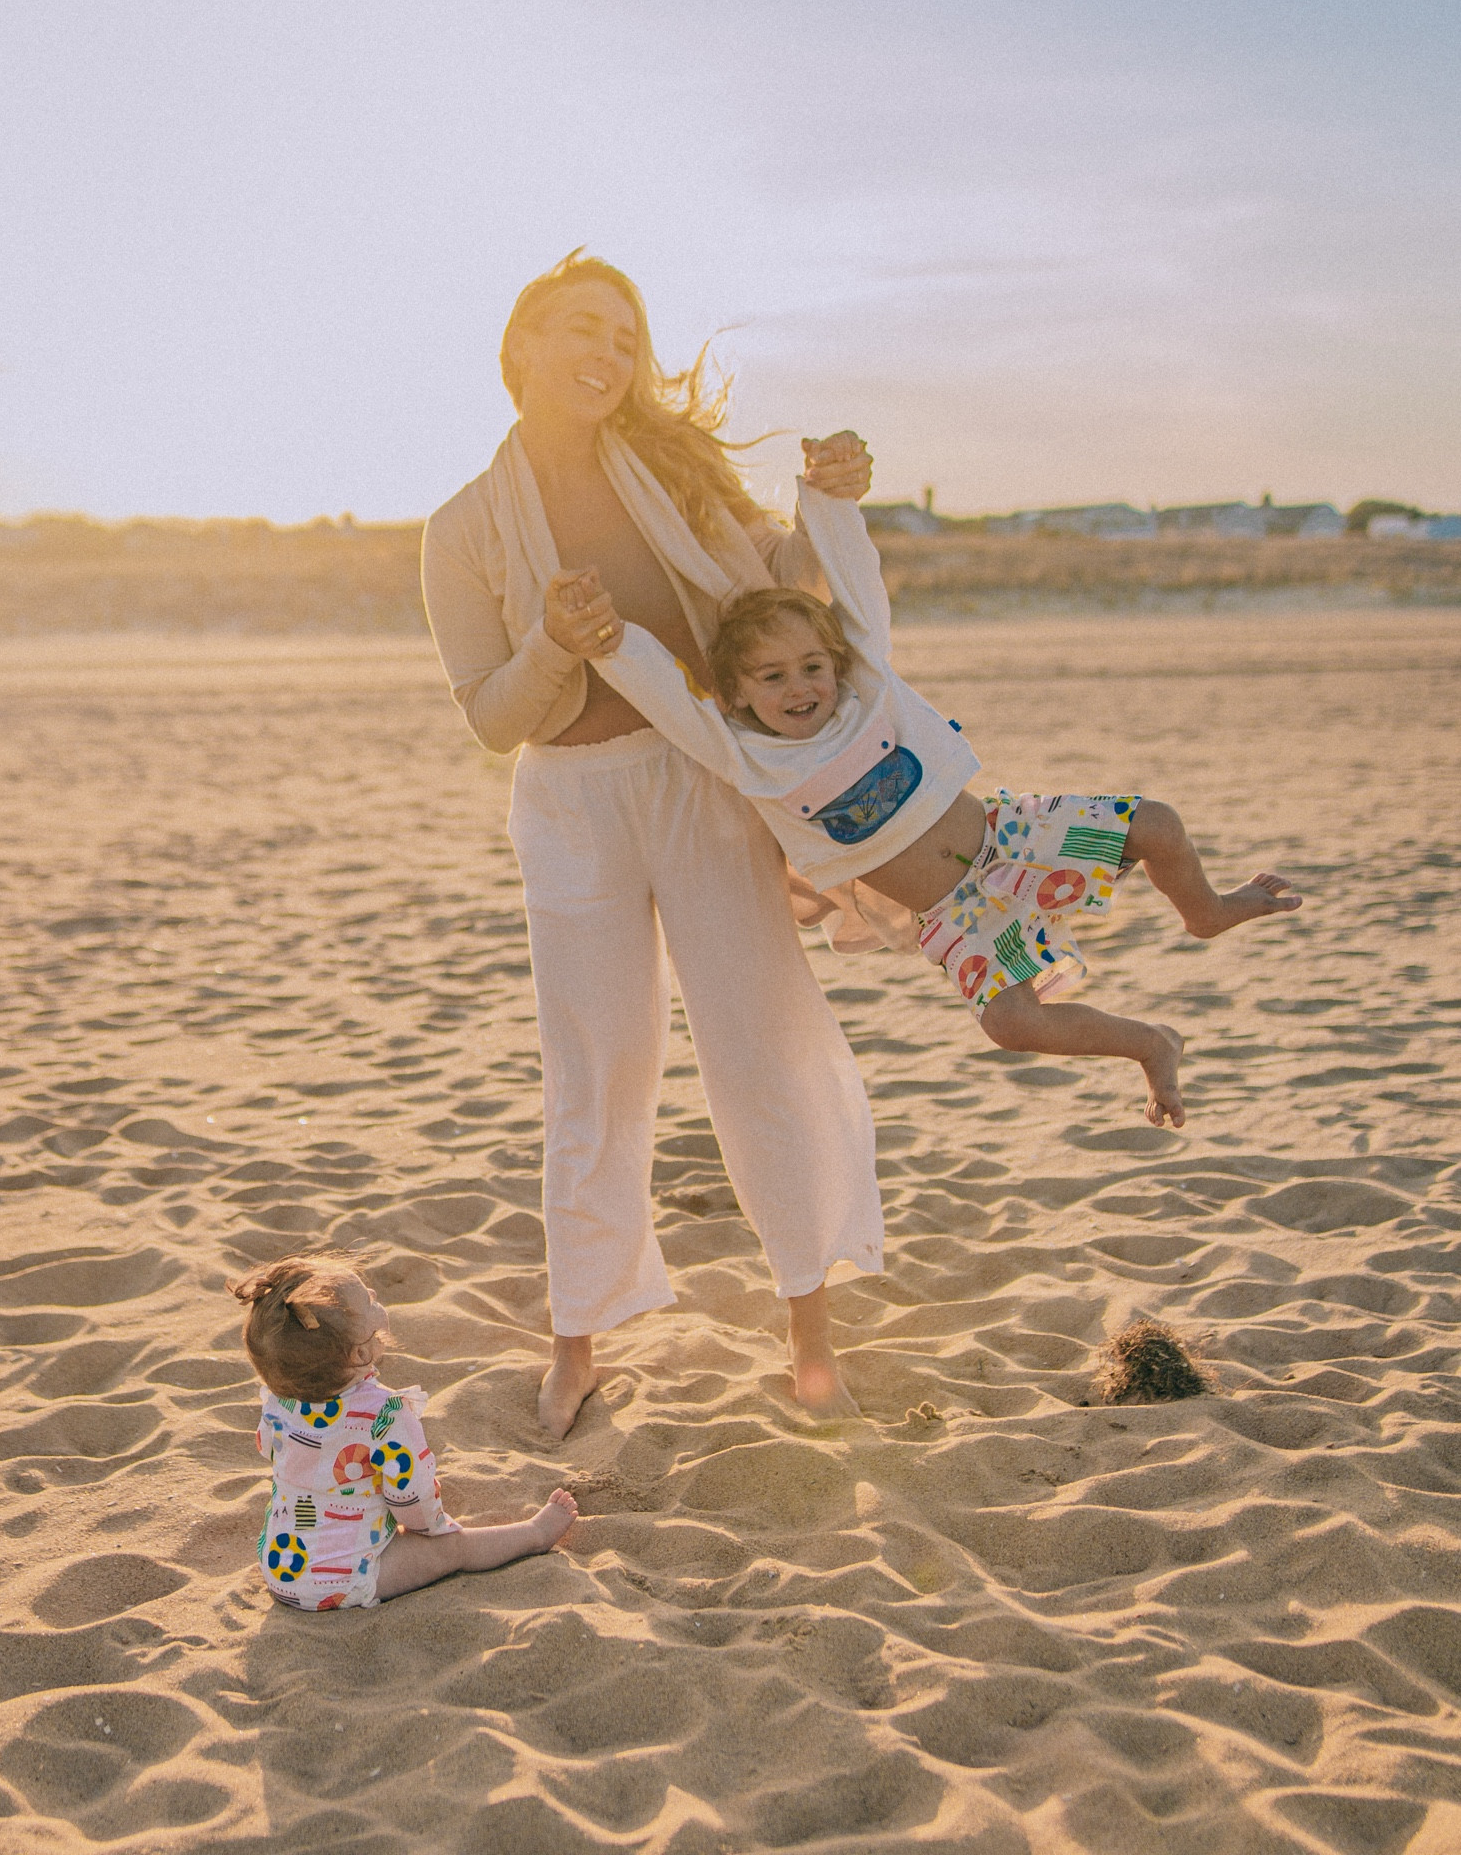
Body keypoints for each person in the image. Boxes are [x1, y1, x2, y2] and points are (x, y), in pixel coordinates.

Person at [421, 251, 885, 1435]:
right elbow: (489, 715)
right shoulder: (461, 525)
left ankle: (812, 1331)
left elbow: (774, 589)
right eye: (586, 328)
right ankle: (578, 1334)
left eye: (628, 338)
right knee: (595, 1071)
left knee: (762, 1042)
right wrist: (554, 647)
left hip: (697, 782)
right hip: (568, 805)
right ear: (523, 344)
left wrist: (830, 500)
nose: (612, 355)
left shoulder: (674, 469)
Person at [583, 481, 1303, 1129]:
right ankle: (1151, 1044)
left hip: (1011, 836)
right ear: (739, 694)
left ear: (836, 665)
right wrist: (609, 645)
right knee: (1012, 1023)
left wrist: (828, 501)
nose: (800, 687)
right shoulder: (745, 753)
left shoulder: (867, 696)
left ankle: (1205, 910)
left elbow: (860, 595)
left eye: (812, 667)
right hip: (956, 913)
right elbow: (672, 700)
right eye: (773, 677)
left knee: (1158, 824)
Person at [230, 1250, 577, 1610]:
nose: (375, 1296)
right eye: (367, 1300)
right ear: (359, 1353)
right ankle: (534, 1535)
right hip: (345, 1579)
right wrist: (428, 1530)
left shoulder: (277, 1401)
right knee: (453, 1548)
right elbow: (411, 1496)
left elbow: (268, 1447)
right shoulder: (384, 1415)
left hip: (281, 1568)